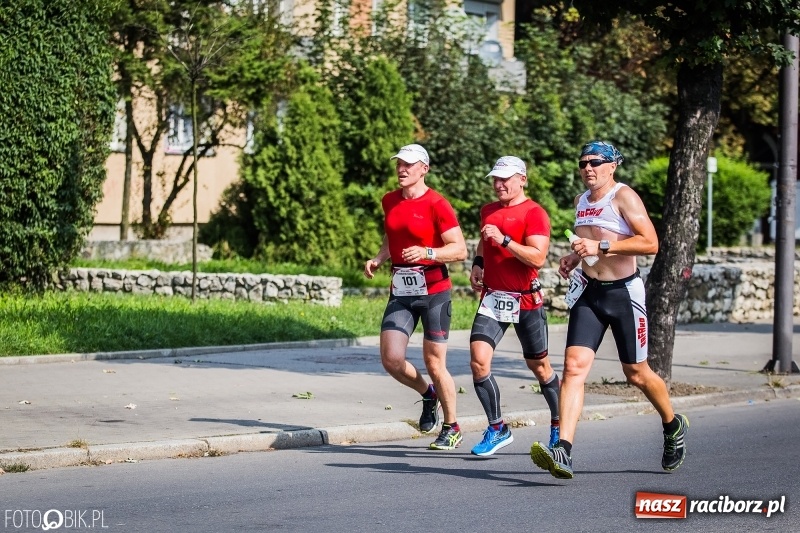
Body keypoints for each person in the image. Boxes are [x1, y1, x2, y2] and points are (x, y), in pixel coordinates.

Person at [529, 140, 688, 479]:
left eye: (596, 162)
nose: (588, 168)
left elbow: (650, 243)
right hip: (590, 293)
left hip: (624, 295)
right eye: (583, 162)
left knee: (636, 374)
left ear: (612, 166)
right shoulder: (580, 201)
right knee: (573, 368)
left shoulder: (623, 196)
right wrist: (576, 257)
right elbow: (590, 248)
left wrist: (601, 245)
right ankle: (564, 451)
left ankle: (672, 424)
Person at [364, 143, 468, 450]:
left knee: (435, 362)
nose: (401, 169)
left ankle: (452, 426)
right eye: (399, 163)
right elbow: (393, 233)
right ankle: (427, 394)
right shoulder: (389, 200)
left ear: (424, 168)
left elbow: (460, 249)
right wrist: (380, 257)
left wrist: (428, 252)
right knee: (391, 359)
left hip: (435, 292)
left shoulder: (438, 204)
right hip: (402, 291)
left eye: (409, 164)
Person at [468, 156, 561, 457]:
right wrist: (478, 263)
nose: (499, 184)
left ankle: (559, 426)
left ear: (522, 179)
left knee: (539, 367)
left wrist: (505, 240)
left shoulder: (535, 213)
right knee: (479, 360)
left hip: (525, 300)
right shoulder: (488, 210)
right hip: (494, 298)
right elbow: (484, 240)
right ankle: (498, 428)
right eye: (495, 179)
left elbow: (537, 258)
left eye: (505, 179)